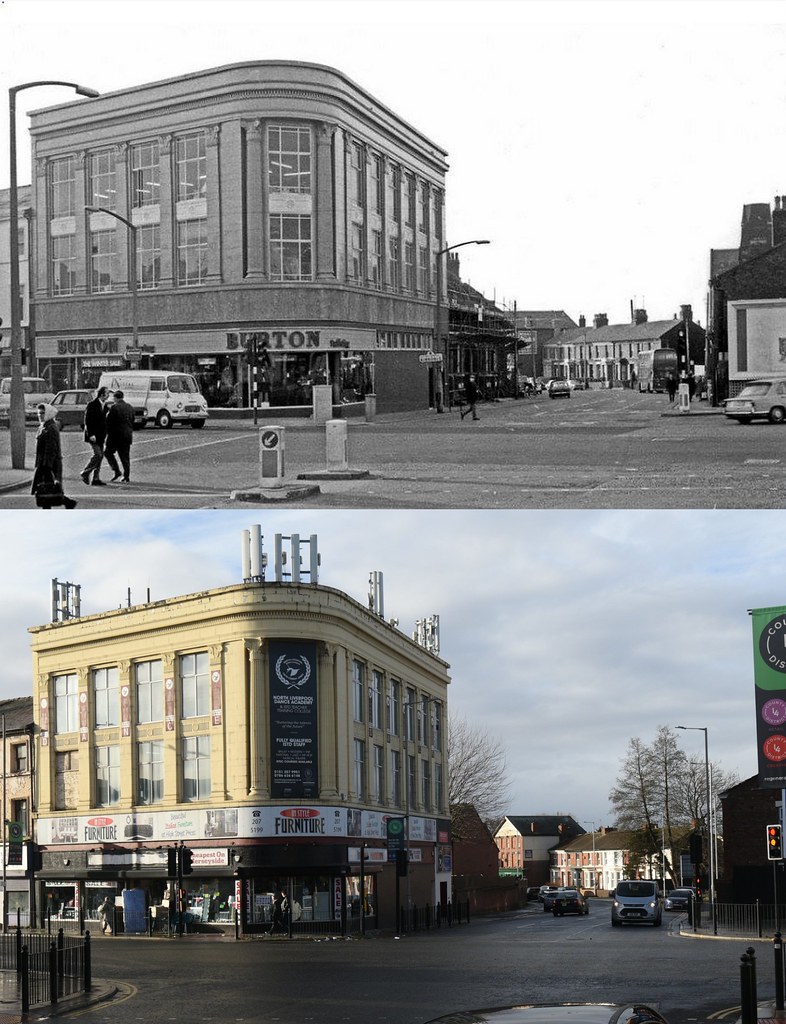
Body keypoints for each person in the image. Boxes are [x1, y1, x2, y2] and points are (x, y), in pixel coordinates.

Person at [31, 404, 77, 509]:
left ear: (48, 413)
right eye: (38, 413)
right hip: (44, 463)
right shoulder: (44, 426)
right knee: (48, 489)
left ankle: (66, 503)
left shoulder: (50, 427)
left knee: (46, 490)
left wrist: (47, 466)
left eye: (42, 413)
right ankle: (68, 503)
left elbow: (51, 449)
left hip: (48, 465)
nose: (40, 416)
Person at [80, 386, 110, 486]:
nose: (108, 395)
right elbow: (87, 421)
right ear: (102, 394)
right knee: (98, 454)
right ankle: (85, 472)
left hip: (101, 435)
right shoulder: (92, 405)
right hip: (93, 435)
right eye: (107, 393)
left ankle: (95, 478)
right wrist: (91, 434)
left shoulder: (105, 406)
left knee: (100, 456)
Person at [104, 390, 135, 483]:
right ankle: (126, 475)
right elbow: (132, 419)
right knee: (125, 456)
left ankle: (116, 470)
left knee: (108, 453)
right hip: (127, 434)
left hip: (116, 435)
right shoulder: (129, 407)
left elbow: (109, 421)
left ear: (115, 398)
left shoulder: (114, 407)